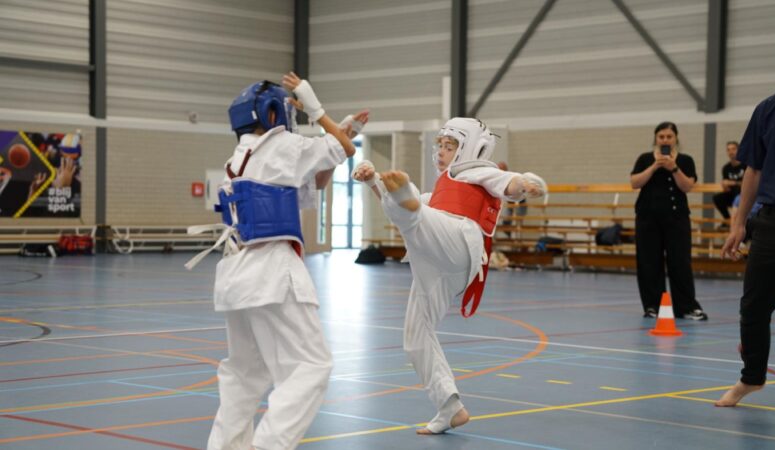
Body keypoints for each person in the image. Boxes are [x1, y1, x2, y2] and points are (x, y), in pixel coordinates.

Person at [189, 72, 368, 450]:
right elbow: (343, 151)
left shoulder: (240, 157)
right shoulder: (283, 144)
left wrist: (342, 131)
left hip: (237, 273)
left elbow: (314, 180)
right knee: (311, 366)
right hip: (270, 270)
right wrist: (318, 109)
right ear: (275, 114)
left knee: (245, 373)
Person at [352, 118, 546, 435]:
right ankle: (449, 407)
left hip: (458, 241)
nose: (441, 151)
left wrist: (524, 184)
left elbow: (507, 184)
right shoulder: (441, 187)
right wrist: (374, 181)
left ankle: (404, 197)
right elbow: (408, 209)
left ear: (468, 148)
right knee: (415, 337)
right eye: (439, 145)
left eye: (449, 145)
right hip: (435, 263)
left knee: (413, 214)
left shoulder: (475, 170)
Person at [716, 16, 775, 408]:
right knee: (753, 305)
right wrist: (738, 225)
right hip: (772, 220)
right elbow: (753, 170)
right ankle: (752, 378)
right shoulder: (769, 109)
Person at [630, 121, 708, 320]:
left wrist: (674, 168)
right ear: (656, 139)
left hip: (677, 218)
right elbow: (634, 182)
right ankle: (652, 306)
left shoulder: (685, 160)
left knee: (680, 262)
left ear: (676, 139)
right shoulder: (645, 158)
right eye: (661, 136)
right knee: (649, 263)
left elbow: (687, 186)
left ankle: (687, 307)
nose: (665, 140)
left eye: (669, 136)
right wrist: (655, 166)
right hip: (647, 218)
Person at [712, 141, 746, 228]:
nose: (731, 152)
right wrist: (725, 185)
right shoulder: (726, 168)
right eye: (728, 150)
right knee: (717, 198)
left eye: (733, 149)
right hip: (732, 195)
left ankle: (739, 222)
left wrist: (733, 183)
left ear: (739, 150)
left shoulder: (745, 166)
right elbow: (726, 186)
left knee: (737, 190)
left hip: (744, 196)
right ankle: (727, 219)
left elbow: (747, 184)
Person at [496, 161, 528, 238]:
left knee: (517, 215)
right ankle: (507, 226)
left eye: (501, 169)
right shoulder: (498, 177)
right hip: (510, 201)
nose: (499, 171)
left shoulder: (511, 177)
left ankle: (517, 234)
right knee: (507, 214)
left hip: (519, 200)